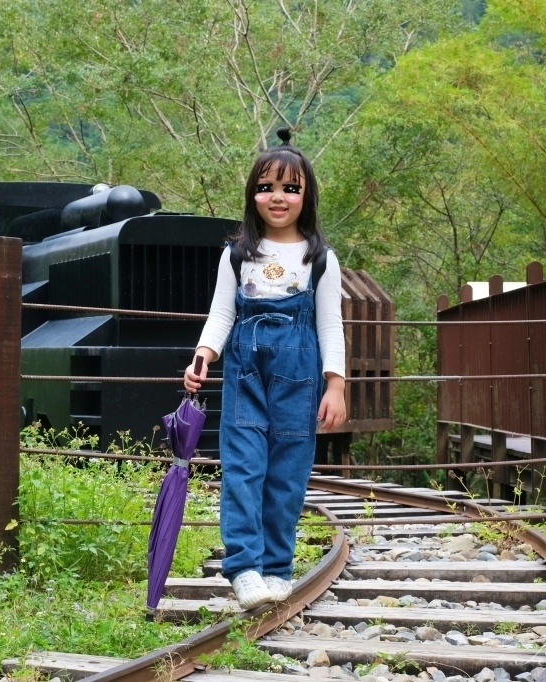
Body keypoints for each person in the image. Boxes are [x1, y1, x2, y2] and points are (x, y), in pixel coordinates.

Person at [184, 127, 346, 610]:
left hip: (299, 378)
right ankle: (243, 567)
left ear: (306, 196)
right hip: (245, 377)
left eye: (290, 188)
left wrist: (335, 386)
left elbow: (330, 326)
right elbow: (221, 315)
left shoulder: (319, 259)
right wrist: (202, 358)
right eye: (266, 187)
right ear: (252, 194)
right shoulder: (236, 254)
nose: (278, 197)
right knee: (243, 468)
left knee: (288, 475)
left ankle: (277, 566)